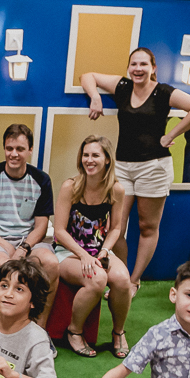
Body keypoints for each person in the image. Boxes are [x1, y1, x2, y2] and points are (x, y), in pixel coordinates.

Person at [81, 47, 190, 294]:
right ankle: (120, 275)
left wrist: (171, 135)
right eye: (134, 64)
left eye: (143, 64)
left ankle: (133, 280)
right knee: (116, 227)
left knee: (147, 226)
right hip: (123, 167)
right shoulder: (122, 87)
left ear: (153, 68)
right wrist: (95, 97)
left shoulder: (163, 92)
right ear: (129, 67)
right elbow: (87, 76)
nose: (138, 69)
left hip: (154, 168)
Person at [0, 123, 61, 326]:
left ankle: (39, 326)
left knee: (52, 264)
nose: (14, 154)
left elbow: (41, 226)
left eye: (20, 149)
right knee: (2, 268)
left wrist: (24, 247)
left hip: (30, 241)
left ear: (30, 150)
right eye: (9, 148)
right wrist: (6, 246)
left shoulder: (41, 180)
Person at [53, 135, 132, 359]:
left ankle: (118, 332)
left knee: (122, 280)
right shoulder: (70, 187)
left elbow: (116, 228)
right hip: (68, 251)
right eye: (85, 155)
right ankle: (74, 331)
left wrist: (104, 251)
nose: (89, 160)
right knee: (97, 279)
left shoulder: (116, 190)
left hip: (99, 249)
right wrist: (83, 256)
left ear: (107, 159)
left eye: (95, 155)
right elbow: (59, 230)